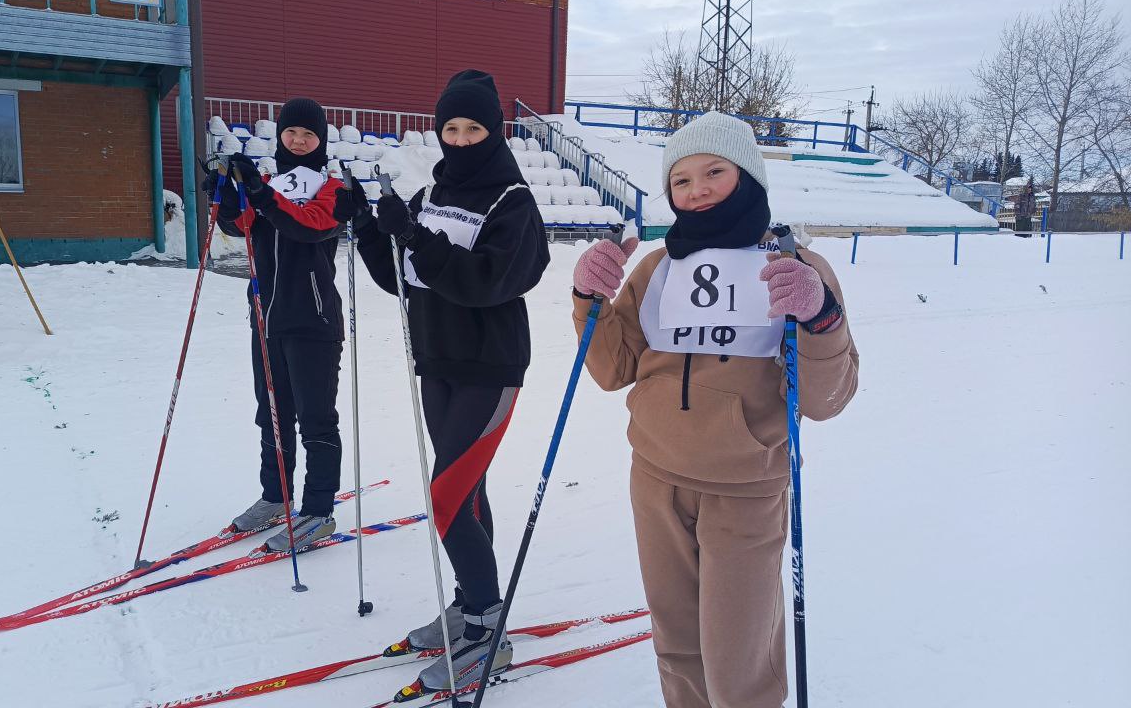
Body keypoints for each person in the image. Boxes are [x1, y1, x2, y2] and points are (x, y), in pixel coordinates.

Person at [570, 112, 859, 708]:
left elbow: (827, 399)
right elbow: (611, 369)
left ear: (747, 175)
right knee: (677, 645)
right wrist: (587, 299)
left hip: (745, 486)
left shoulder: (792, 265)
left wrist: (820, 316)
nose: (696, 190)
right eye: (681, 180)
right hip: (656, 477)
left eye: (714, 172)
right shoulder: (657, 267)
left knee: (737, 659)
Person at [335, 69, 550, 695]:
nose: (459, 140)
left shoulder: (513, 203)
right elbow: (399, 276)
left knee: (447, 494)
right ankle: (469, 603)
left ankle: (488, 630)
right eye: (450, 128)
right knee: (466, 490)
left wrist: (416, 238)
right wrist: (369, 225)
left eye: (473, 128)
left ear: (495, 131)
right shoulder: (431, 193)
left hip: (490, 367)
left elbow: (488, 282)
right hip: (437, 361)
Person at [202, 98, 346, 553]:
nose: (299, 141)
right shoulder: (267, 184)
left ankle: (318, 511)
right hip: (266, 317)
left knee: (315, 419)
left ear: (321, 139)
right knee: (272, 415)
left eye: (308, 134)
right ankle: (275, 496)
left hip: (314, 321)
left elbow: (311, 226)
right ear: (280, 136)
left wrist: (262, 196)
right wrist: (227, 196)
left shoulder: (333, 188)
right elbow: (242, 226)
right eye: (291, 133)